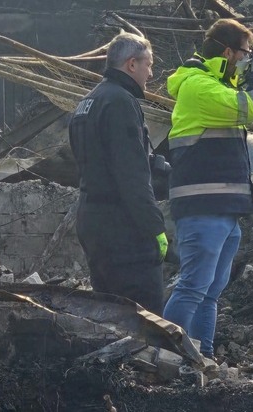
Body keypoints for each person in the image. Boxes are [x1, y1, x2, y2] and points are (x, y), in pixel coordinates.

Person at [162, 19, 253, 359]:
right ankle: (166, 357)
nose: (247, 58)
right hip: (203, 209)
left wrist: (251, 71)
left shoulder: (215, 86)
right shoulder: (198, 87)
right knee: (193, 288)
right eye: (244, 52)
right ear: (228, 51)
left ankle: (203, 359)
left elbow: (236, 100)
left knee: (209, 293)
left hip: (223, 209)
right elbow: (248, 107)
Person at [68, 33, 168, 315]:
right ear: (131, 64)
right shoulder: (121, 102)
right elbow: (131, 176)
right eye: (149, 65)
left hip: (92, 221)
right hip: (122, 226)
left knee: (110, 314)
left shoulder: (85, 103)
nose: (151, 73)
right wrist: (154, 227)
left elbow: (94, 161)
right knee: (144, 317)